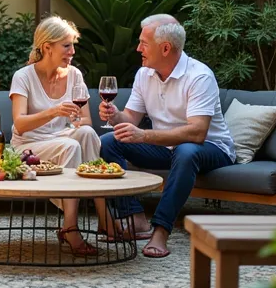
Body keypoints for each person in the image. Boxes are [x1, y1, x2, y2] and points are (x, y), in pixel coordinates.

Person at [98, 14, 235, 259]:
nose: (138, 48)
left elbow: (197, 132)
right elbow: (130, 119)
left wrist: (144, 135)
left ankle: (161, 230)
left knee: (186, 150)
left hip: (211, 149)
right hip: (167, 148)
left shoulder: (199, 76)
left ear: (165, 48)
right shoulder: (144, 74)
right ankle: (135, 218)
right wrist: (115, 116)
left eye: (143, 43)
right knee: (110, 141)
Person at [9, 16, 102, 255]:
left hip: (62, 138)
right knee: (71, 147)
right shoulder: (23, 77)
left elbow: (86, 122)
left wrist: (73, 123)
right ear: (47, 47)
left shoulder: (75, 75)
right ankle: (71, 228)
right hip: (28, 146)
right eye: (66, 46)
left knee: (88, 134)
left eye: (73, 45)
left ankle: (103, 213)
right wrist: (54, 112)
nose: (72, 52)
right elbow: (20, 125)